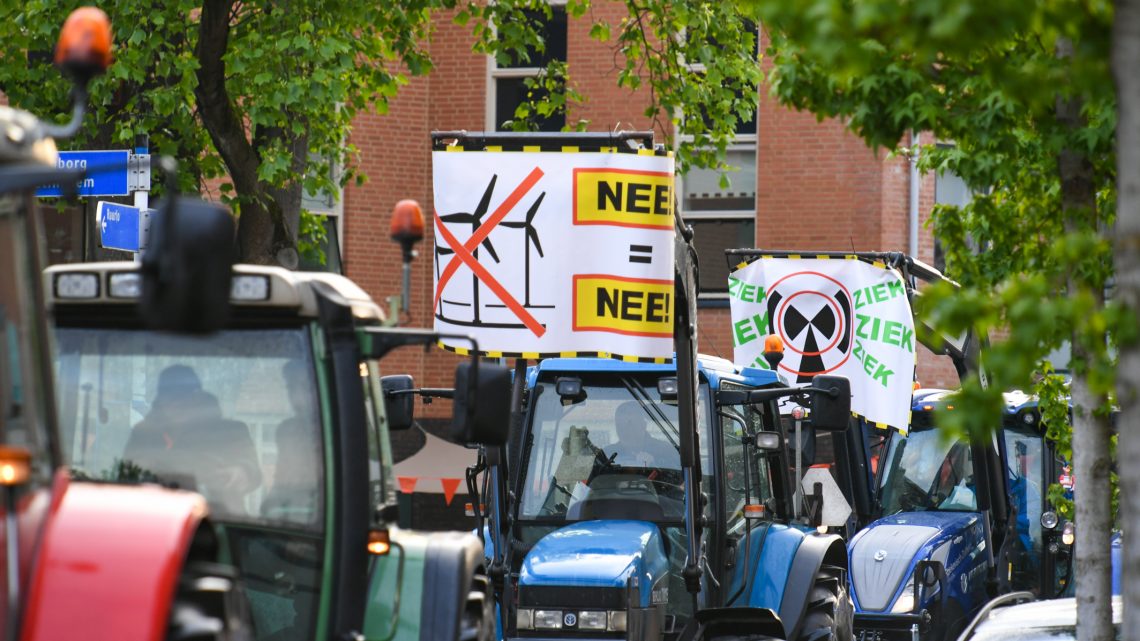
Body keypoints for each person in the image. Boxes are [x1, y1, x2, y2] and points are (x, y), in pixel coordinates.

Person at [122, 364, 261, 515]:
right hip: (155, 518)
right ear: (160, 400)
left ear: (198, 397)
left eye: (184, 396)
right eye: (169, 396)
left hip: (222, 519)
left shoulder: (230, 431)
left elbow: (252, 471)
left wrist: (240, 472)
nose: (177, 403)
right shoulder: (144, 433)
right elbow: (124, 475)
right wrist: (142, 466)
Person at [262, 360, 322, 524]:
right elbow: (282, 480)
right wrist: (269, 507)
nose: (296, 397)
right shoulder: (286, 430)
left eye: (304, 387)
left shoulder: (338, 432)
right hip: (290, 516)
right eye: (291, 388)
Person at [606, 401, 677, 468]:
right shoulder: (607, 454)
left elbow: (676, 478)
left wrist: (653, 464)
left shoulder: (665, 450)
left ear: (643, 425)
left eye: (630, 424)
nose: (625, 430)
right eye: (620, 425)